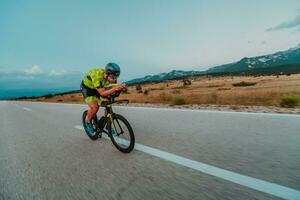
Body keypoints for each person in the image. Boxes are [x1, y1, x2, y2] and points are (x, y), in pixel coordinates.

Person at [80, 63, 126, 135]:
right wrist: (115, 88)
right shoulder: (97, 75)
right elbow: (102, 93)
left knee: (108, 103)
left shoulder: (110, 76)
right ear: (106, 74)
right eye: (113, 77)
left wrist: (120, 87)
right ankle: (88, 122)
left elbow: (113, 86)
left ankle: (108, 124)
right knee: (95, 108)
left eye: (116, 77)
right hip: (88, 89)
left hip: (99, 88)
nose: (115, 79)